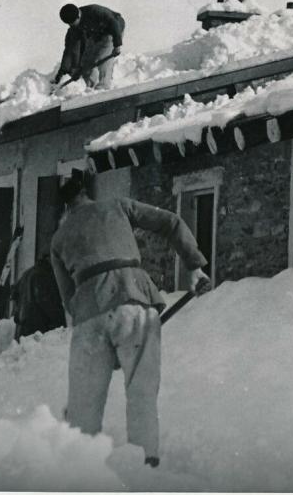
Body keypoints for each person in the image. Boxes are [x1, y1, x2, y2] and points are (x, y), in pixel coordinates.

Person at [50, 171, 210, 468]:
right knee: (141, 389)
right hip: (135, 300)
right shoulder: (117, 206)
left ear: (64, 207)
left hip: (88, 312)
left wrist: (99, 330)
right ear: (87, 193)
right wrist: (195, 266)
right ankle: (145, 462)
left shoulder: (59, 239)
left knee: (83, 404)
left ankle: (80, 470)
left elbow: (68, 300)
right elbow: (171, 222)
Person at [52, 3, 126, 90]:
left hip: (113, 30)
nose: (72, 26)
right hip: (96, 34)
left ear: (78, 16)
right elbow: (71, 50)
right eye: (69, 24)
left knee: (103, 58)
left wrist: (117, 45)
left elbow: (113, 22)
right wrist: (63, 74)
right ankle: (89, 86)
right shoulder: (74, 29)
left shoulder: (95, 11)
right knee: (86, 60)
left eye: (73, 23)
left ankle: (104, 86)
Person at [11, 255, 66, 341]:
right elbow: (47, 303)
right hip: (38, 332)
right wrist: (61, 324)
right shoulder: (43, 275)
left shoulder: (26, 274)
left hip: (23, 330)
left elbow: (14, 296)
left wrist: (18, 317)